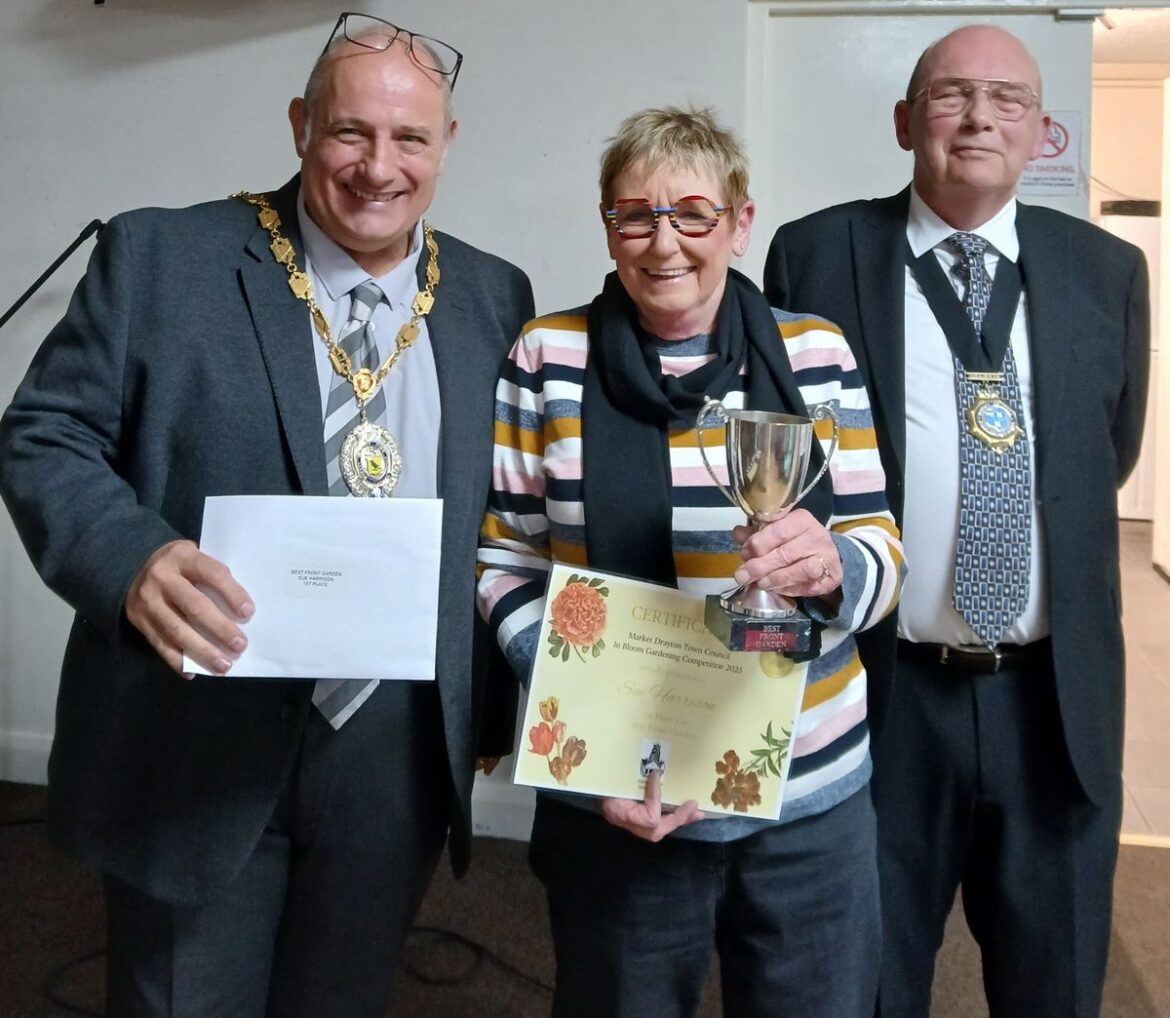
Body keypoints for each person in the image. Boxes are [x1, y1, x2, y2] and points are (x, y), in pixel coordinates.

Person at [0, 12, 533, 1018]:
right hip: (193, 727)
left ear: (448, 143)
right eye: (351, 132)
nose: (378, 167)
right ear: (300, 124)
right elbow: (42, 434)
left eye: (410, 138)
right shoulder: (160, 257)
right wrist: (132, 558)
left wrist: (491, 706)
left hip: (394, 751)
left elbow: (506, 512)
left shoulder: (494, 296)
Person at [477, 106, 904, 1018]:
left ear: (740, 224)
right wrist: (590, 720)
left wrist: (832, 566)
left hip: (807, 795)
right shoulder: (547, 356)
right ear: (608, 229)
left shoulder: (816, 352)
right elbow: (506, 559)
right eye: (636, 216)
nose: (664, 242)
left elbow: (880, 545)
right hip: (616, 790)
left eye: (693, 214)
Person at [764, 25, 1149, 1018]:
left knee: (1054, 981)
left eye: (1007, 99)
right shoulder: (816, 255)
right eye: (952, 94)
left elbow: (1107, 458)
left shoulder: (1107, 271)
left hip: (1053, 704)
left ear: (1041, 129)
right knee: (868, 977)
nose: (980, 118)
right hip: (886, 692)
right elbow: (784, 462)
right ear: (905, 121)